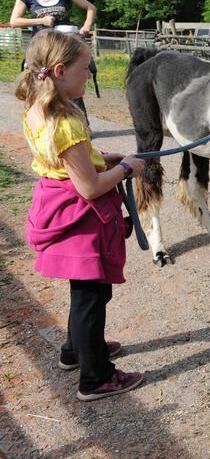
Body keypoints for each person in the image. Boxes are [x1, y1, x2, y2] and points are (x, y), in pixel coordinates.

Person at [15, 29, 146, 401]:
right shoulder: (66, 121)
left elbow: (64, 162)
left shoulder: (36, 109)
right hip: (80, 215)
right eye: (86, 68)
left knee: (84, 291)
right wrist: (126, 170)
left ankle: (75, 351)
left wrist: (102, 159)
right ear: (59, 70)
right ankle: (97, 377)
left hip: (56, 201)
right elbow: (89, 187)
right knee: (91, 294)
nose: (90, 75)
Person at [9, 0, 98, 120]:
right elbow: (14, 21)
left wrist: (86, 25)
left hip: (64, 48)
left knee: (70, 82)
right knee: (39, 84)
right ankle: (40, 120)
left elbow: (90, 7)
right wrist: (40, 20)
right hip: (41, 50)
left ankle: (81, 123)